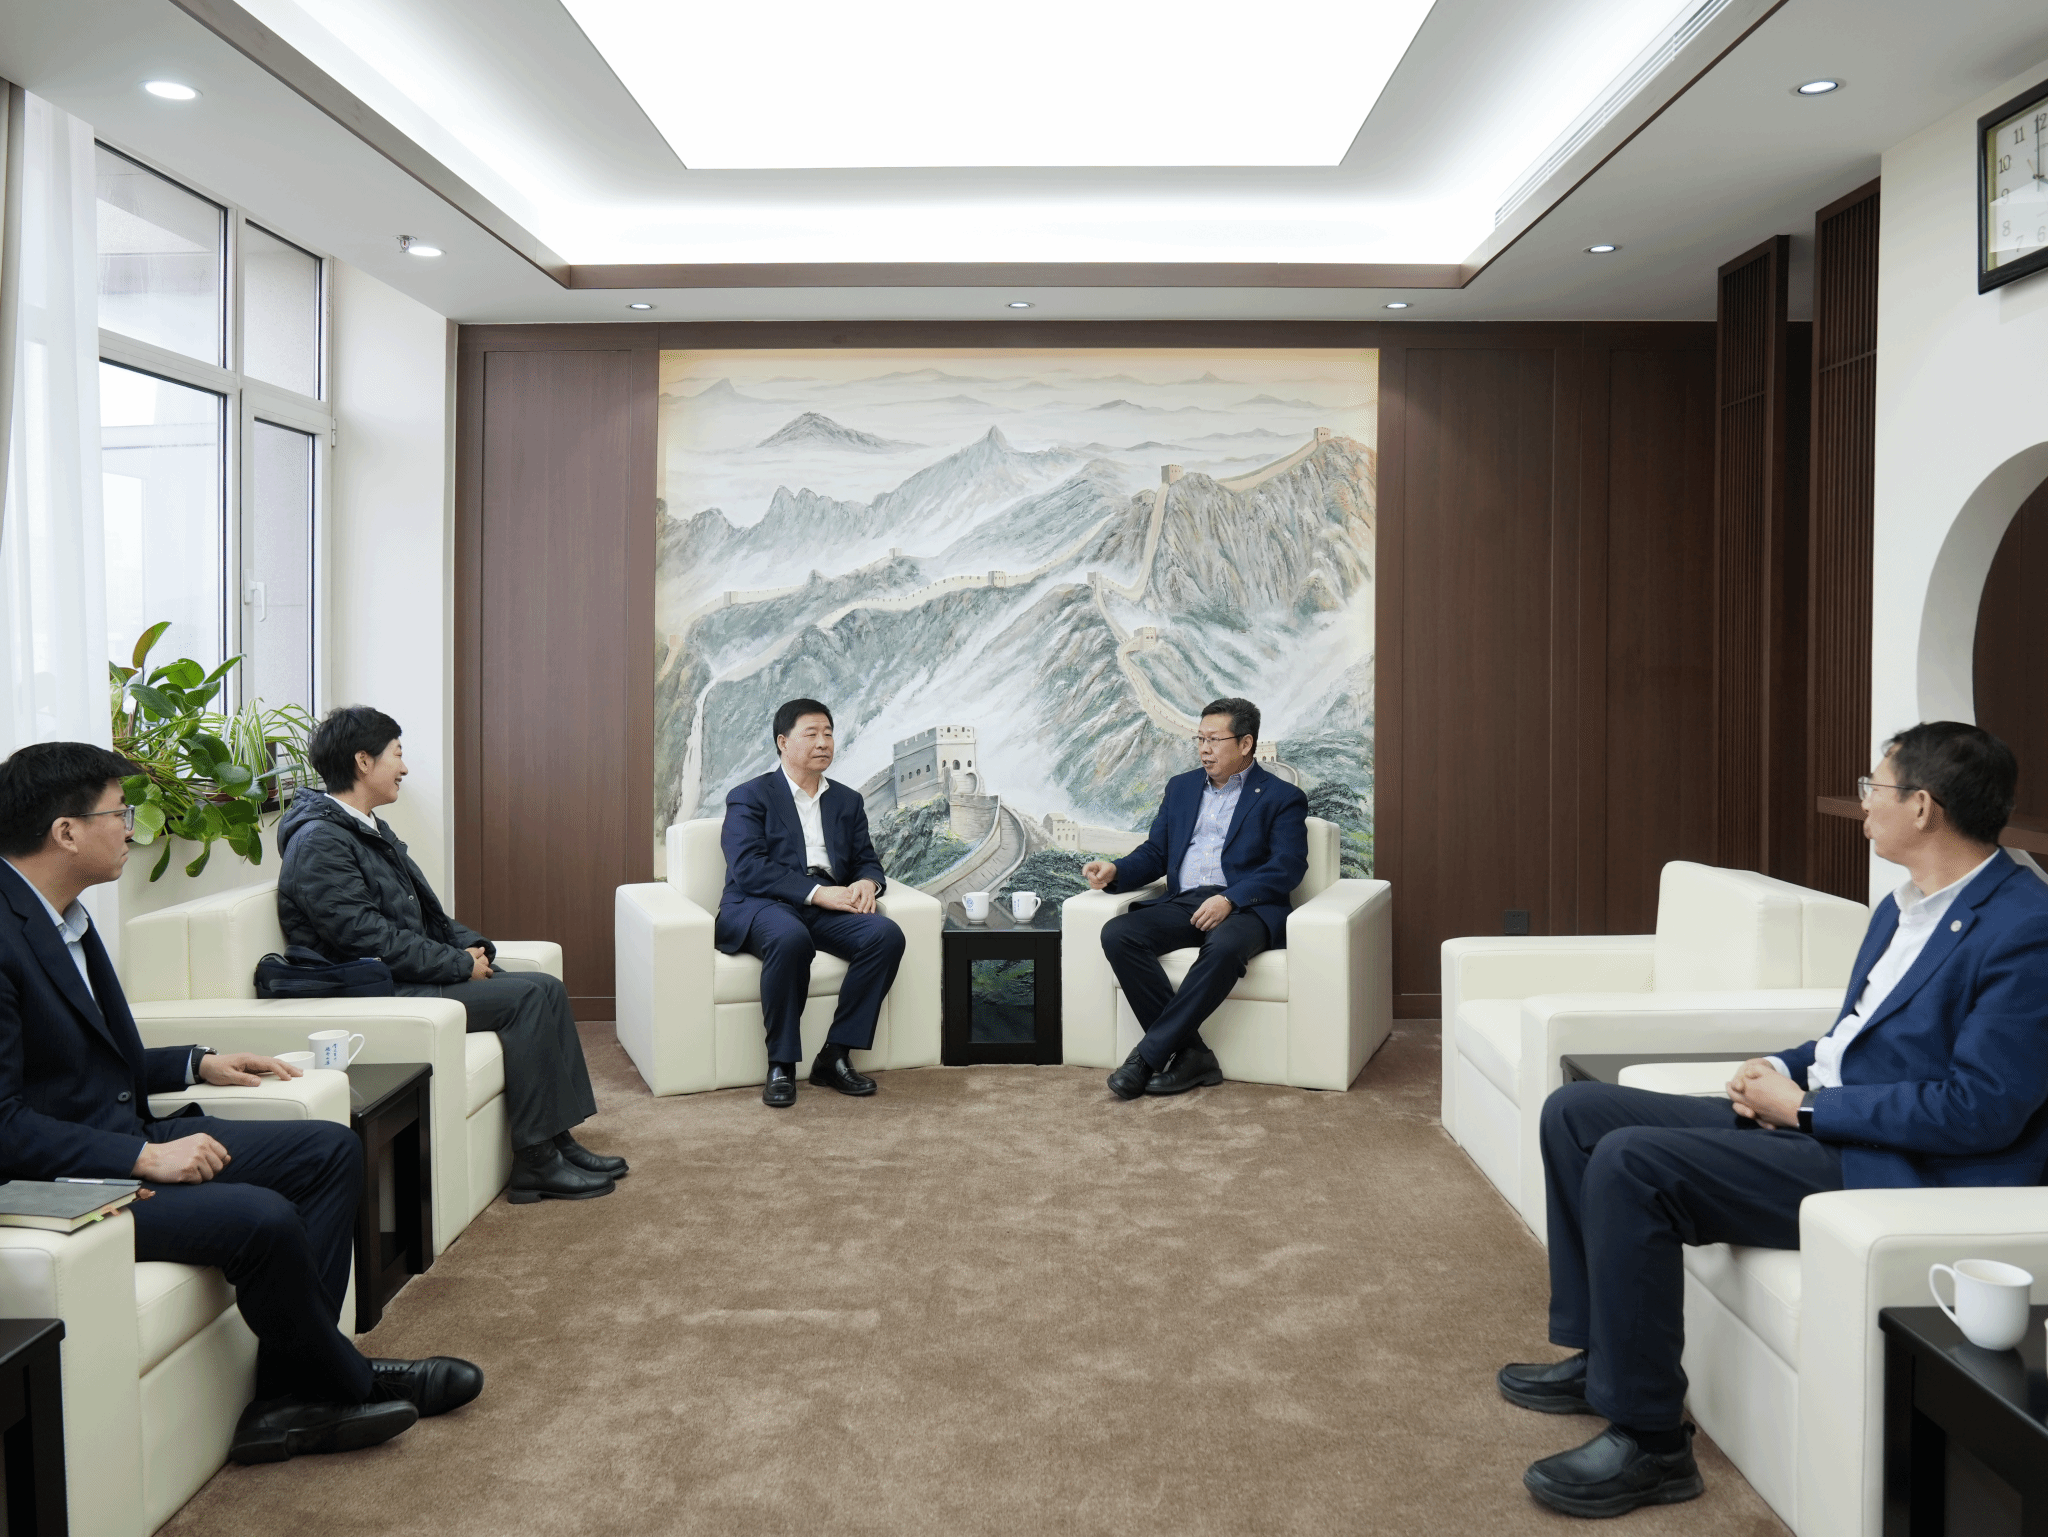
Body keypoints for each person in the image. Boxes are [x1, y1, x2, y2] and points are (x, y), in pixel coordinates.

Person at [1498, 721, 2048, 1519]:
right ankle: (1603, 1357)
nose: (1864, 803)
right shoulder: (1902, 907)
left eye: (1875, 786)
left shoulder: (2025, 926)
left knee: (1630, 1161)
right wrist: (1783, 1066)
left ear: (1923, 806)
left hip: (1889, 1164)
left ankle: (1652, 1443)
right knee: (1576, 1112)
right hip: (1818, 1119)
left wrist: (1809, 1107)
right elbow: (1855, 1034)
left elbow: (1982, 1108)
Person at [0, 742, 483, 1462]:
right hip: (60, 1184)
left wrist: (196, 1061)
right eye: (119, 813)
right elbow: (5, 1124)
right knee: (262, 1216)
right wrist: (140, 1156)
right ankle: (347, 1381)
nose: (130, 829)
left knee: (329, 1148)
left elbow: (82, 1059)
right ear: (65, 831)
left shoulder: (63, 915)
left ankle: (291, 1396)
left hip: (118, 1137)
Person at [276, 707, 626, 1204]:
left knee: (546, 988)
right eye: (397, 754)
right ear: (363, 761)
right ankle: (535, 1162)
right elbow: (367, 939)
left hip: (398, 974)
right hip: (370, 987)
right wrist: (459, 965)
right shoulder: (319, 842)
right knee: (526, 999)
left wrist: (471, 945)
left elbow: (424, 917)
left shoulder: (363, 828)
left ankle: (557, 1139)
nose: (404, 767)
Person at [1084, 697, 1309, 1099]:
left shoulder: (1282, 796)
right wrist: (1116, 870)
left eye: (1214, 740)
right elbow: (1157, 852)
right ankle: (1194, 1055)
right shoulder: (1182, 787)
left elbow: (1287, 866)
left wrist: (1231, 900)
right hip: (1187, 901)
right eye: (1199, 739)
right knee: (1119, 933)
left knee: (1224, 946)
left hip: (1247, 907)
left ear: (1245, 744)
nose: (1204, 749)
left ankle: (1145, 1058)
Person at [716, 699, 904, 1108]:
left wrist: (867, 883)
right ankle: (781, 1064)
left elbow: (866, 860)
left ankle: (835, 1055)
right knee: (790, 938)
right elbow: (748, 868)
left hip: (827, 905)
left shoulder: (847, 801)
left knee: (885, 935)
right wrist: (819, 893)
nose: (823, 742)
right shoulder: (750, 796)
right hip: (763, 903)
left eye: (829, 734)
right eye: (812, 734)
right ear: (783, 742)